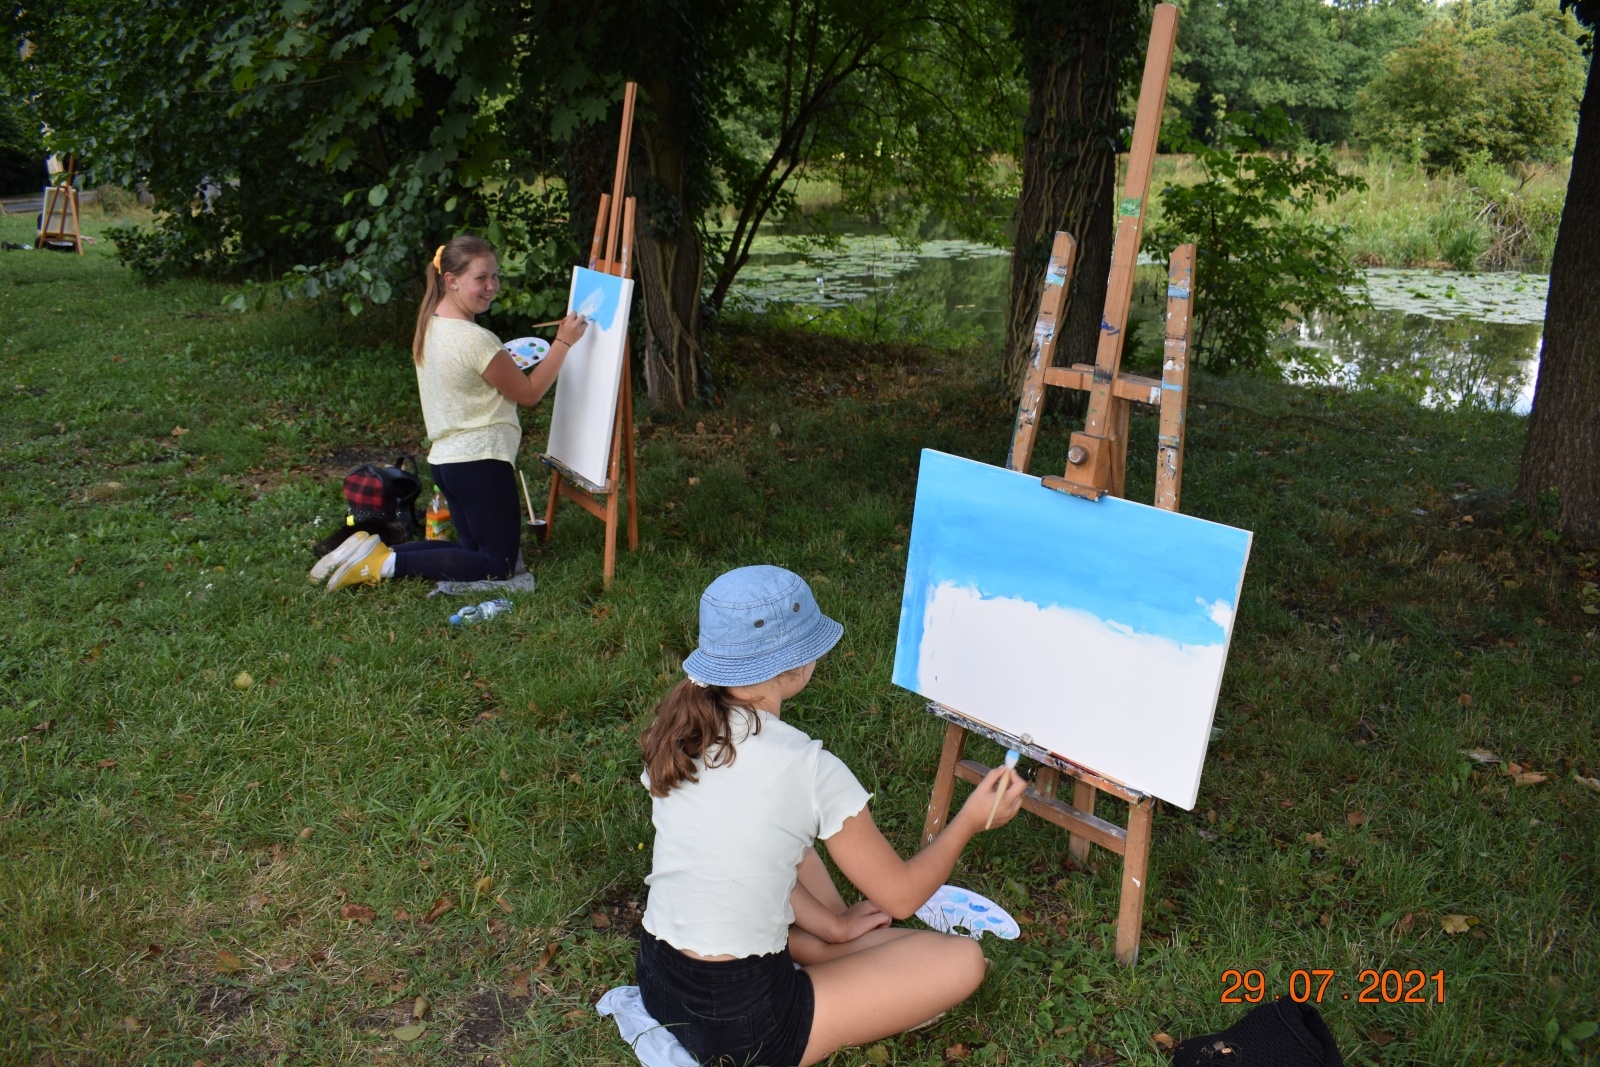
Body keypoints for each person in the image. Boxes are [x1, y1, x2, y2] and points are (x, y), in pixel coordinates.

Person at [635, 565, 1027, 1067]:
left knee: (782, 838)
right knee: (964, 961)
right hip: (745, 1025)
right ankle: (822, 958)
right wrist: (971, 820)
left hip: (661, 977)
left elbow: (748, 856)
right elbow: (901, 896)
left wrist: (835, 927)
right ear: (791, 670)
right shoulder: (807, 766)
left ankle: (821, 947)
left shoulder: (677, 731)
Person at [314, 235, 587, 590]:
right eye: (481, 278)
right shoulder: (475, 339)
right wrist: (563, 342)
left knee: (472, 550)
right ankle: (384, 562)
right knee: (497, 565)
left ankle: (367, 550)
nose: (492, 286)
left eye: (495, 276)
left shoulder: (430, 324)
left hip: (447, 462)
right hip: (480, 462)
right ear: (451, 279)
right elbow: (530, 393)